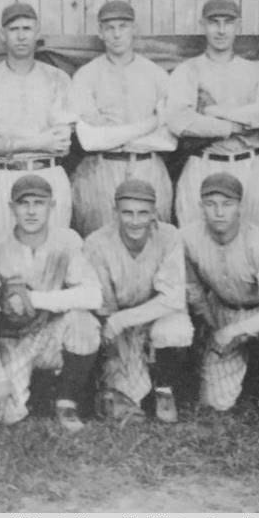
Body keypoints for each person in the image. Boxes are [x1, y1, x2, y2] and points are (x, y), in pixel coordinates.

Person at [181, 173, 259, 434]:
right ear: (201, 206)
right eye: (211, 204)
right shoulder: (188, 237)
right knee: (215, 401)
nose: (219, 212)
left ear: (240, 206)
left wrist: (233, 331)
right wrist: (210, 323)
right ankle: (248, 370)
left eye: (227, 204)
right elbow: (192, 287)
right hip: (223, 309)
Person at [0, 175, 102, 432]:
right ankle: (36, 390)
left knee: (84, 323)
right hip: (13, 340)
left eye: (39, 203)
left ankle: (66, 400)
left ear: (51, 206)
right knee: (4, 416)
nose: (31, 211)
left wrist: (35, 299)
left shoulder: (67, 240)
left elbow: (93, 296)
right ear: (11, 207)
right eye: (24, 203)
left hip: (50, 334)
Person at [84, 179, 193, 423]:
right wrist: (118, 350)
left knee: (176, 330)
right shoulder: (96, 243)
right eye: (127, 213)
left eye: (143, 213)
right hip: (116, 321)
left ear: (154, 213)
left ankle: (165, 388)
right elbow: (105, 309)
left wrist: (124, 320)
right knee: (129, 391)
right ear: (115, 212)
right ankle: (121, 384)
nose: (135, 221)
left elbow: (173, 298)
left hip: (155, 315)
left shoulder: (169, 236)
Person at [166, 0, 259, 231]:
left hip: (250, 164)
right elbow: (179, 121)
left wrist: (213, 112)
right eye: (213, 22)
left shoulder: (257, 70)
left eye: (228, 22)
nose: (221, 30)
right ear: (202, 25)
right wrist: (236, 127)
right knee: (194, 238)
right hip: (203, 162)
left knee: (256, 238)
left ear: (238, 26)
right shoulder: (188, 70)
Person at [69, 0, 175, 235]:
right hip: (101, 169)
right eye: (109, 28)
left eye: (123, 26)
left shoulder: (156, 74)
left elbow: (168, 140)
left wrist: (112, 135)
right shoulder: (86, 76)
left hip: (149, 168)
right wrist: (151, 123)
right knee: (100, 240)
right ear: (100, 32)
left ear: (133, 28)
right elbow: (90, 141)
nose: (117, 34)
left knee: (152, 240)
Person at [0, 2, 74, 239]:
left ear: (37, 32)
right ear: (2, 34)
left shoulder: (57, 78)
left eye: (26, 29)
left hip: (47, 173)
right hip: (0, 178)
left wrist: (5, 141)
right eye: (13, 29)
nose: (20, 36)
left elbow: (61, 143)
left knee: (53, 253)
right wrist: (38, 141)